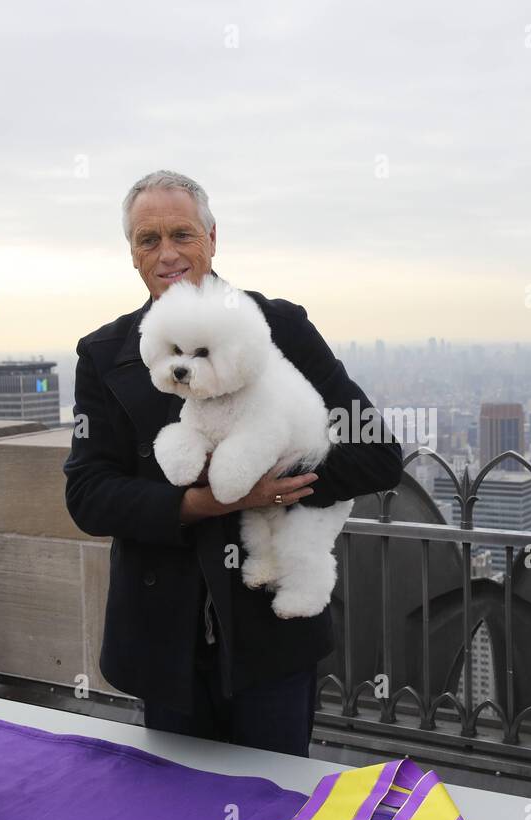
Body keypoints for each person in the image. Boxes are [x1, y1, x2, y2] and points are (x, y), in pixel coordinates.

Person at [63, 170, 402, 756]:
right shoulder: (103, 355)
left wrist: (276, 483)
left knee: (274, 816)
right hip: (163, 639)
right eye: (149, 240)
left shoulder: (281, 328)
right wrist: (204, 502)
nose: (167, 253)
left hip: (270, 637)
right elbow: (88, 494)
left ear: (213, 239)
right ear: (133, 256)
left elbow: (376, 455)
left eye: (182, 234)